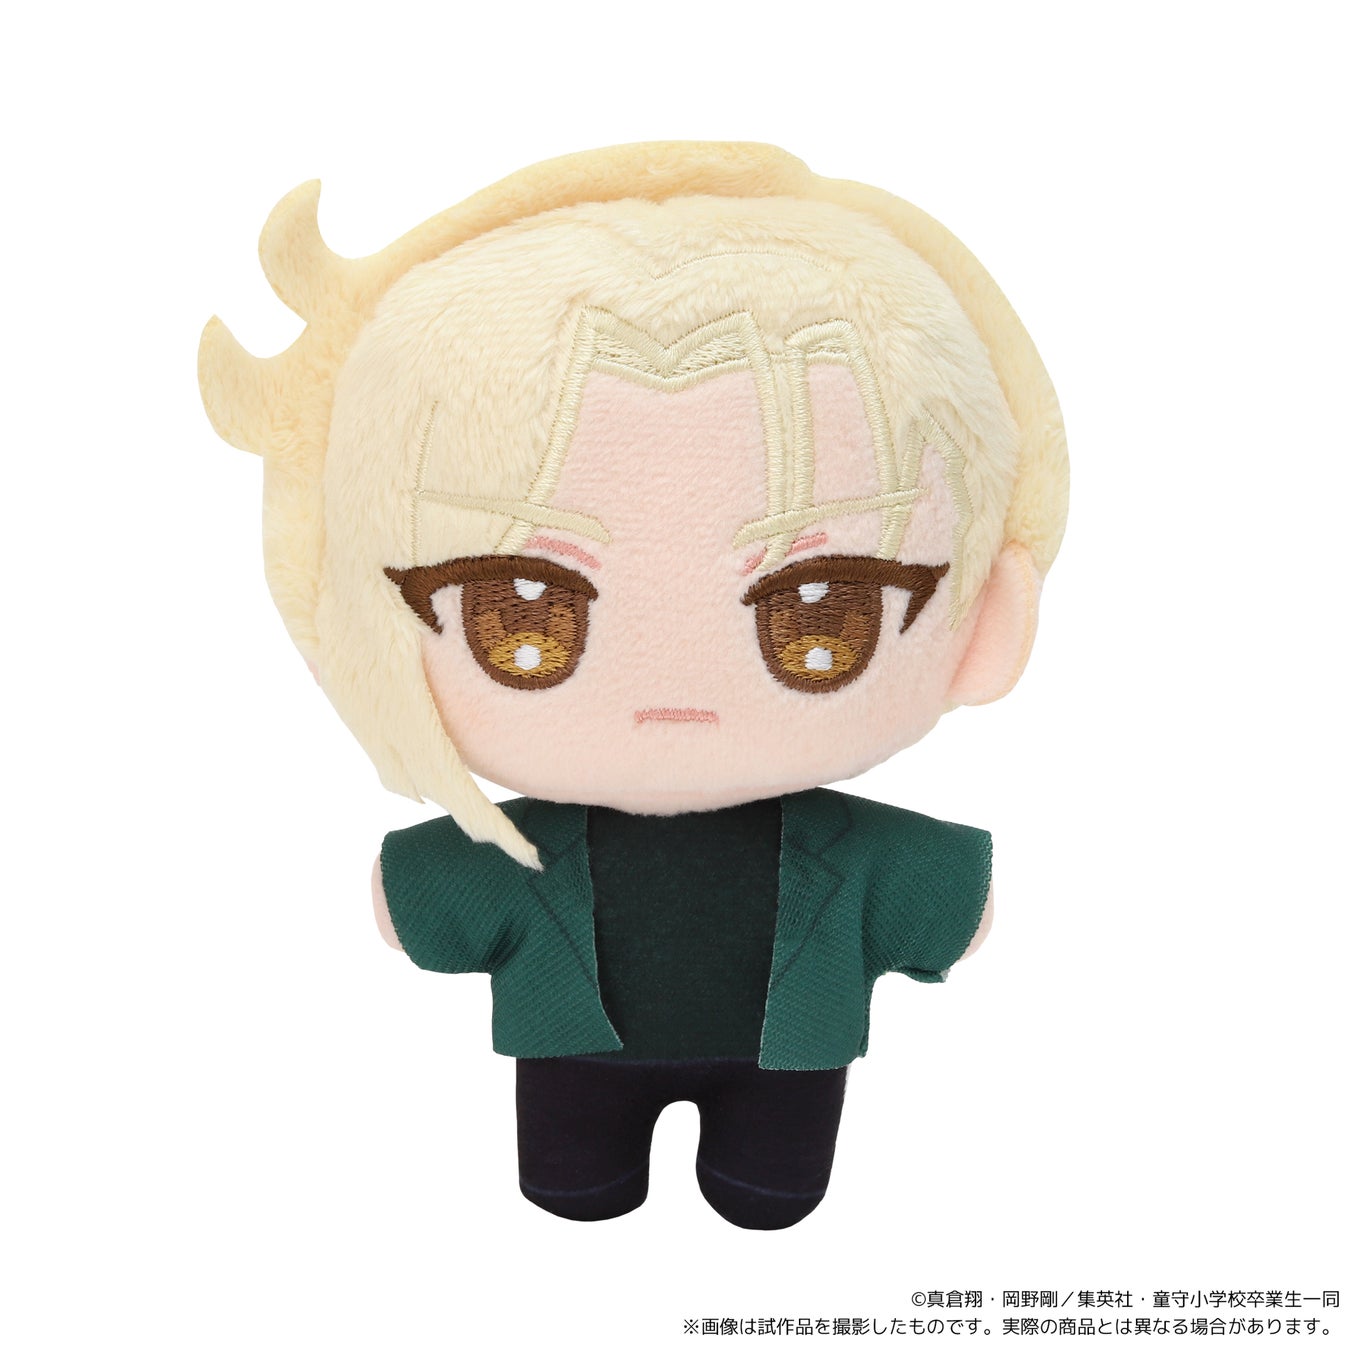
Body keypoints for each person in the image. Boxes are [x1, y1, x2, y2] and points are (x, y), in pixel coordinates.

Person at [200, 141, 1067, 1229]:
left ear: (984, 626)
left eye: (820, 610)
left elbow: (935, 893)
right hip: (578, 1060)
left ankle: (729, 1183)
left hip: (785, 1070)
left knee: (767, 1194)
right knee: (582, 1189)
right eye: (522, 612)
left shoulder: (837, 849)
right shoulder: (528, 849)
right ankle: (616, 1183)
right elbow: (426, 894)